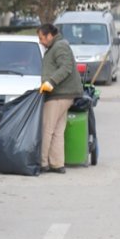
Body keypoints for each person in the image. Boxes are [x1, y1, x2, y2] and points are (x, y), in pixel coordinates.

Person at [37, 23, 83, 173]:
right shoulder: (54, 47)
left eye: (42, 38)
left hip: (59, 94)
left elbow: (66, 67)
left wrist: (51, 82)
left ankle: (43, 162)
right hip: (63, 94)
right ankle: (57, 163)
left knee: (47, 128)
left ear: (50, 35)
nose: (40, 41)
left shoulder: (59, 46)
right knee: (57, 129)